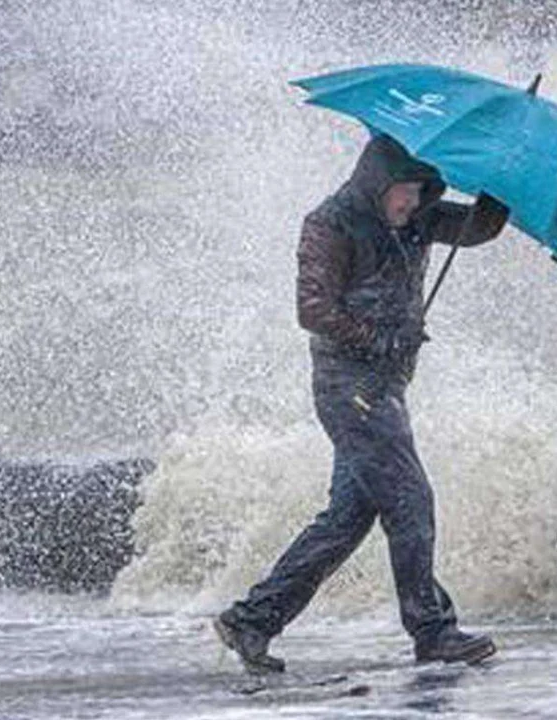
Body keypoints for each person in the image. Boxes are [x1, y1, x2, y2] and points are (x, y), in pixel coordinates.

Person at [213, 135, 510, 673]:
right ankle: (432, 630)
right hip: (348, 387)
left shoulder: (418, 217)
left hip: (386, 388)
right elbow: (312, 309)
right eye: (404, 191)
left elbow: (477, 229)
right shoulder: (330, 224)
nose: (411, 203)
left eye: (421, 192)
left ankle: (252, 620)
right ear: (378, 183)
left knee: (347, 518)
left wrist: (499, 187)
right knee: (410, 499)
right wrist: (378, 339)